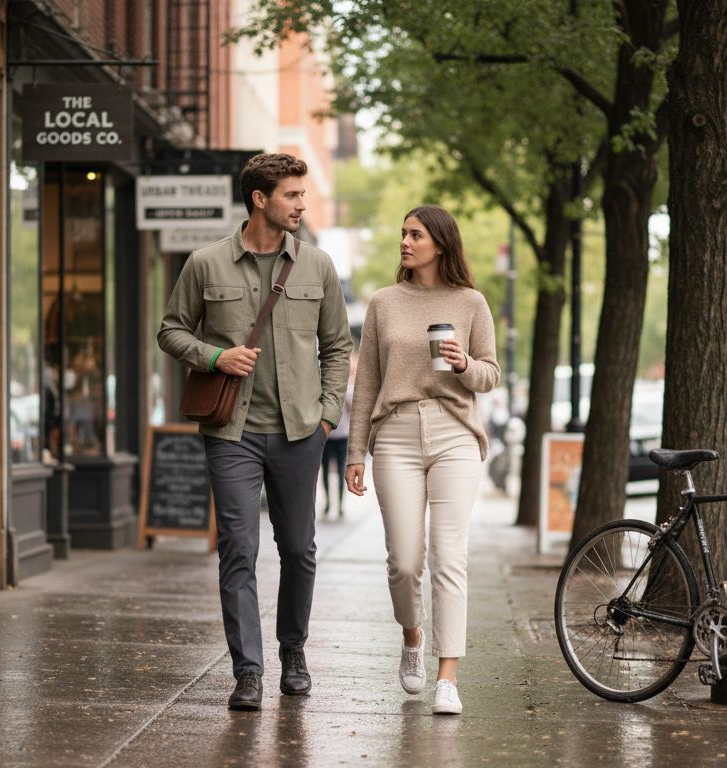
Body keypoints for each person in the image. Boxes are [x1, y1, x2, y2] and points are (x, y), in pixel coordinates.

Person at [157, 153, 352, 712]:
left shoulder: (317, 266)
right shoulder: (205, 263)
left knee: (298, 549)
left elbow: (337, 347)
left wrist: (326, 415)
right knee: (237, 548)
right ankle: (248, 670)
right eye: (292, 195)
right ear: (260, 199)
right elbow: (171, 331)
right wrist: (216, 356)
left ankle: (293, 650)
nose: (301, 204)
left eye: (302, 195)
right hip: (231, 433)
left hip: (299, 432)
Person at [344, 205, 499, 716]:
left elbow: (491, 375)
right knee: (405, 560)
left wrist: (465, 364)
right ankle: (412, 635)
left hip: (455, 432)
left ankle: (447, 675)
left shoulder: (471, 302)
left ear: (441, 243)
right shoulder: (384, 303)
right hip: (396, 435)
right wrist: (356, 451)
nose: (405, 242)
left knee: (449, 557)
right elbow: (366, 382)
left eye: (416, 234)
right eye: (403, 233)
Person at [319, 354, 355, 518]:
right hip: (328, 436)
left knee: (338, 470)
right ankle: (330, 503)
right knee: (329, 470)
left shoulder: (348, 389)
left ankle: (338, 505)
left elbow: (353, 411)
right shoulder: (324, 388)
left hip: (340, 436)